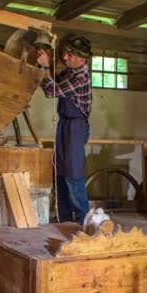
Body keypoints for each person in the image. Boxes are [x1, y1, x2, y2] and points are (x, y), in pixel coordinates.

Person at [37, 36, 92, 225]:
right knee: (60, 172)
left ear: (82, 59)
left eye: (70, 55)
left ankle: (82, 220)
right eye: (65, 53)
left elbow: (51, 91)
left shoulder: (80, 76)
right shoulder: (71, 72)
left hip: (76, 126)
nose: (66, 58)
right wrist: (48, 63)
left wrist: (44, 67)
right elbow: (55, 79)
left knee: (73, 173)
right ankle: (65, 220)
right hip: (65, 124)